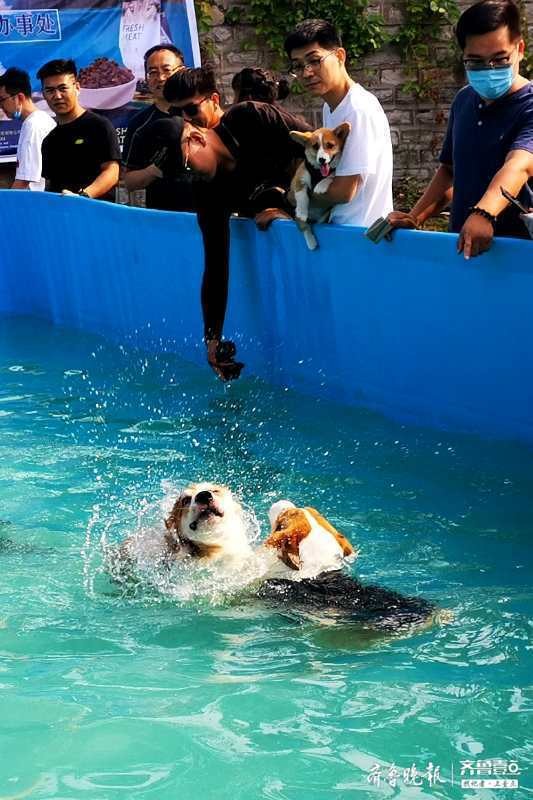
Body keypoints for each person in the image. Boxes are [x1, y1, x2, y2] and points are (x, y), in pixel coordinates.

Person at [150, 94, 311, 380]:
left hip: (330, 220)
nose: (191, 175)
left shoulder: (251, 118)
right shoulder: (206, 190)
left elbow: (315, 144)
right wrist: (212, 340)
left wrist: (294, 206)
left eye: (188, 167)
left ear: (196, 139)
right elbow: (215, 264)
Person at [387, 0, 533, 258]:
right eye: (475, 62)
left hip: (517, 256)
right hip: (464, 248)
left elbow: (519, 165)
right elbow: (450, 171)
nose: (489, 70)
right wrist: (415, 217)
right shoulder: (464, 101)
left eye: (499, 59)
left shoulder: (529, 106)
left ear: (520, 49)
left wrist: (484, 212)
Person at [284, 19, 393, 228]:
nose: (307, 72)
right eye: (298, 66)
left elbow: (344, 191)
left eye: (315, 60)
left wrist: (296, 198)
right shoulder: (332, 107)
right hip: (341, 230)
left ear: (340, 56)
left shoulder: (358, 109)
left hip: (360, 234)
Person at [122, 44, 194, 211]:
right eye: (153, 72)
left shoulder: (198, 113)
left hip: (205, 215)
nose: (160, 78)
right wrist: (156, 170)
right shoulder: (140, 123)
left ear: (182, 70)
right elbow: (129, 181)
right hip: (161, 215)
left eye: (167, 70)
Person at [38, 59, 120, 200]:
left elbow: (112, 171)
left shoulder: (99, 126)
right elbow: (50, 184)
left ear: (77, 87)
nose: (57, 96)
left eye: (63, 88)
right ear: (44, 95)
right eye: (50, 90)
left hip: (96, 213)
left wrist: (84, 197)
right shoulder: (50, 139)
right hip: (63, 216)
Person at [0, 67, 55, 190]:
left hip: (36, 200)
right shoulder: (41, 119)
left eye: (2, 100)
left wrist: (7, 205)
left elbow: (24, 180)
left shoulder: (33, 126)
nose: (1, 106)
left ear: (19, 97)